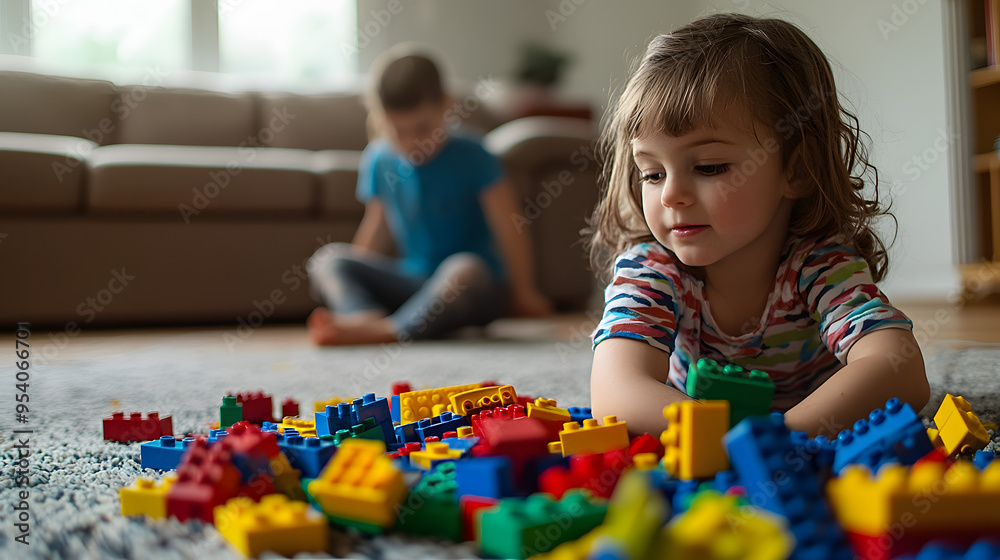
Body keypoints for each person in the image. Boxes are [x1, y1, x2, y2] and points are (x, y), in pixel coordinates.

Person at [587, 13, 930, 438]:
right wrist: (722, 441)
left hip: (794, 426)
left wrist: (776, 440)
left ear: (797, 169)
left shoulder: (818, 262)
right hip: (696, 425)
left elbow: (901, 369)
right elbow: (614, 392)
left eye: (709, 166)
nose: (671, 194)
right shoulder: (652, 269)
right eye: (652, 174)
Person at [307, 47, 552, 346]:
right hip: (416, 284)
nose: (411, 143)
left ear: (446, 106)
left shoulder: (474, 154)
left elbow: (510, 226)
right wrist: (359, 278)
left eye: (422, 129)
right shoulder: (379, 159)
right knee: (328, 261)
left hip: (472, 286)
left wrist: (523, 293)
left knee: (463, 269)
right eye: (397, 131)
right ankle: (364, 318)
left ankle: (391, 330)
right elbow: (376, 231)